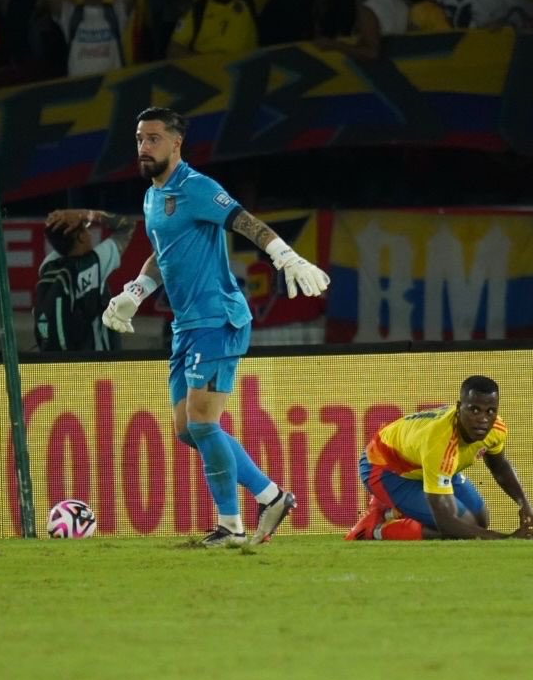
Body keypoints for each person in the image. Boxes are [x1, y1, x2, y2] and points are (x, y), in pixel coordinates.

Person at [102, 107, 331, 546]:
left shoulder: (198, 187)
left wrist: (286, 256)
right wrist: (135, 291)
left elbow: (246, 222)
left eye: (153, 139)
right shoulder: (152, 197)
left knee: (204, 423)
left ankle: (233, 524)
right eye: (139, 139)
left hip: (218, 319)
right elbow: (164, 253)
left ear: (176, 143)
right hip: (186, 326)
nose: (144, 147)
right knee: (188, 429)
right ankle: (270, 497)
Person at [345, 375, 533, 541]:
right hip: (385, 468)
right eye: (474, 410)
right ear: (459, 408)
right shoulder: (440, 443)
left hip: (424, 464)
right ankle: (375, 530)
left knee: (480, 520)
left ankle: (390, 511)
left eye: (490, 411)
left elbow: (500, 467)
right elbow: (447, 522)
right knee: (459, 527)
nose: (482, 419)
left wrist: (525, 505)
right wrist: (506, 539)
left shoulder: (496, 429)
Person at [35, 208, 137, 351]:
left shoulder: (48, 265)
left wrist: (59, 220)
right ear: (81, 237)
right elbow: (127, 225)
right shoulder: (96, 263)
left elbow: (59, 238)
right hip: (97, 360)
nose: (89, 233)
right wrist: (87, 215)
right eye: (86, 228)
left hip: (62, 360)